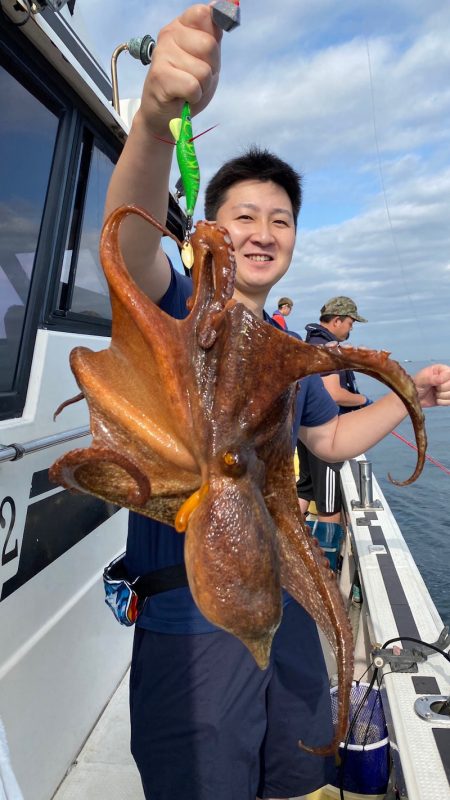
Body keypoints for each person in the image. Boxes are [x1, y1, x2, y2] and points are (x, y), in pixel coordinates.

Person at [103, 5, 450, 799]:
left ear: (294, 238)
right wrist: (156, 123)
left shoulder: (286, 359)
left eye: (281, 219)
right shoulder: (183, 309)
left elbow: (326, 445)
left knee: (300, 778)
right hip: (191, 618)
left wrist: (408, 395)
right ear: (207, 229)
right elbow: (128, 254)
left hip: (285, 598)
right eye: (244, 216)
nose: (263, 232)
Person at [297, 296, 370, 525]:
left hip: (305, 431)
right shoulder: (326, 350)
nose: (351, 328)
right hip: (325, 435)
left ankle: (281, 544)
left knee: (305, 490)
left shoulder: (311, 344)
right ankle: (328, 559)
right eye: (351, 322)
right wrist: (365, 401)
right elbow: (333, 394)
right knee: (329, 505)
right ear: (337, 320)